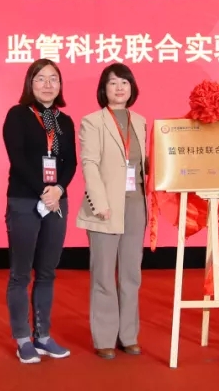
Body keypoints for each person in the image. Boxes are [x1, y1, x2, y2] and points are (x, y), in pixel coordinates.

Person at [2, 58, 78, 364]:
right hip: (24, 200)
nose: (48, 85)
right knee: (21, 273)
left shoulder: (65, 121)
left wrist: (57, 189)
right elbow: (17, 159)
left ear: (60, 85)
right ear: (30, 83)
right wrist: (43, 191)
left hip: (57, 201)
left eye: (53, 79)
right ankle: (23, 339)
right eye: (41, 78)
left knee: (47, 272)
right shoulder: (18, 115)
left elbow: (70, 162)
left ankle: (43, 336)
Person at [76, 63, 149, 359]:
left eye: (124, 82)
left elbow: (145, 164)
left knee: (131, 273)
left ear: (132, 88)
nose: (119, 88)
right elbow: (89, 163)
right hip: (105, 207)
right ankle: (105, 336)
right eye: (113, 83)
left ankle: (128, 335)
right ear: (103, 89)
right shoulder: (92, 121)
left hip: (136, 204)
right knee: (104, 274)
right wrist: (100, 202)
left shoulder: (140, 121)